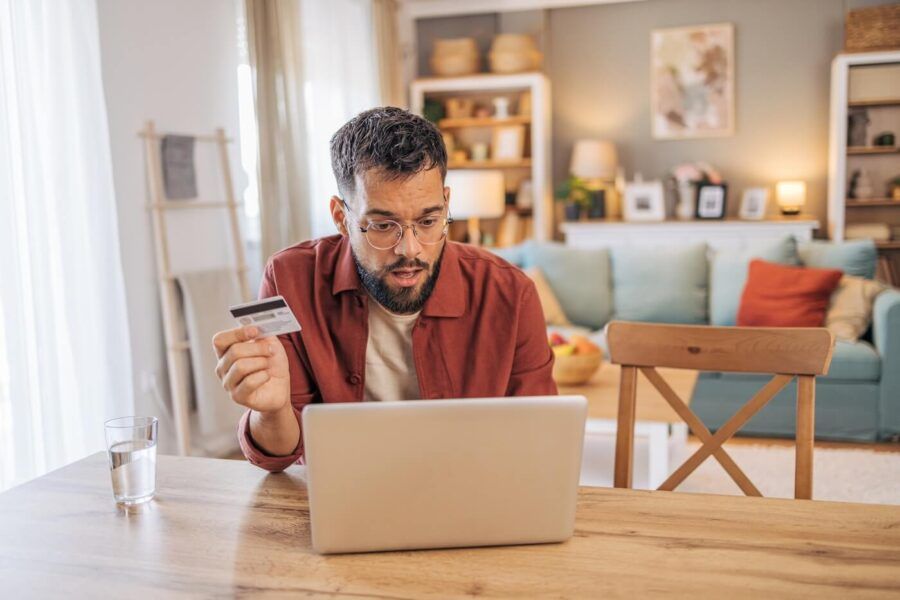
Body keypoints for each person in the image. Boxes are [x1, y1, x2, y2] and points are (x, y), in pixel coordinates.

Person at [212, 107, 556, 473]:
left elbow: (538, 444)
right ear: (341, 217)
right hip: (342, 502)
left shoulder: (510, 294)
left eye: (428, 221)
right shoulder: (290, 279)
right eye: (381, 225)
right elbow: (279, 454)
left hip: (474, 497)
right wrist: (272, 410)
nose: (409, 248)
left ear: (446, 204)